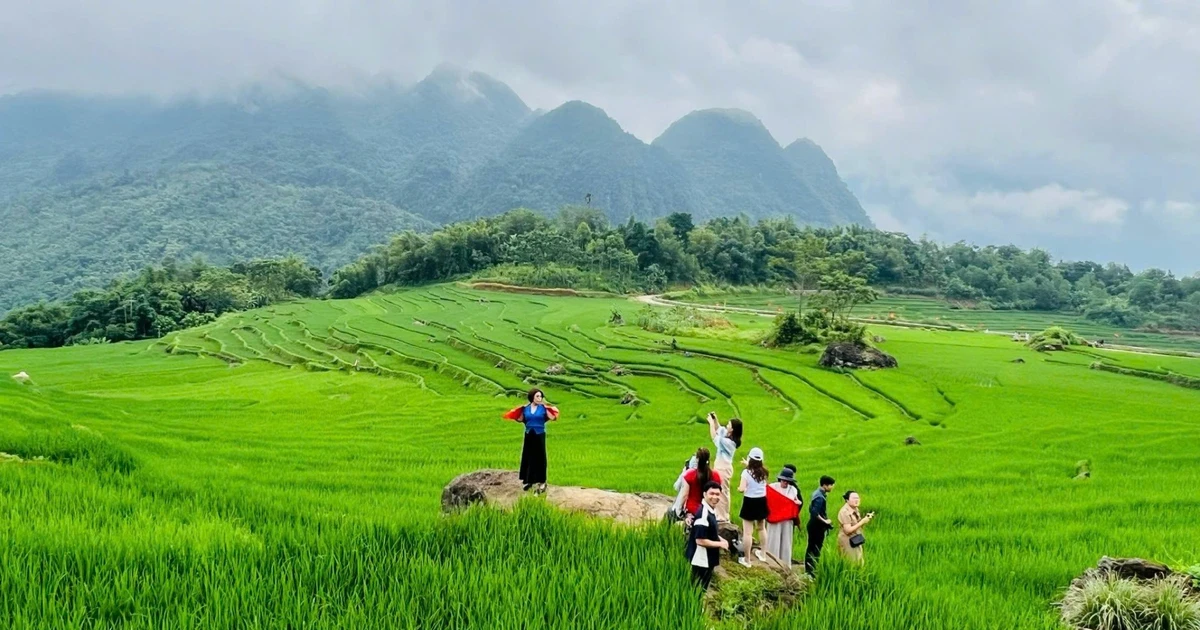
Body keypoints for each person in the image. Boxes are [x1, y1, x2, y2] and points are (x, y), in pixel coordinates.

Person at [501, 388, 559, 493]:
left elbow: (553, 417)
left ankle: (542, 482)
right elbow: (520, 419)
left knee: (540, 457)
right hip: (529, 434)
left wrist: (547, 407)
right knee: (528, 456)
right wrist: (514, 414)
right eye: (537, 396)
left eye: (541, 396)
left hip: (539, 434)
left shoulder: (543, 408)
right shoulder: (525, 409)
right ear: (532, 397)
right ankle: (529, 481)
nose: (539, 398)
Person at [685, 481, 729, 589]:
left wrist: (720, 538)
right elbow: (700, 540)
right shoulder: (703, 515)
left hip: (707, 559)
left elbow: (709, 532)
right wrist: (720, 544)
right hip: (701, 560)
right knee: (698, 590)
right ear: (704, 494)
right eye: (711, 494)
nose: (715, 497)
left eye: (717, 494)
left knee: (699, 589)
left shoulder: (710, 510)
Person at [763, 466, 802, 567]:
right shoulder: (772, 487)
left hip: (787, 519)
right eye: (784, 480)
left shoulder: (793, 489)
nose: (786, 483)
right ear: (780, 479)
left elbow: (796, 501)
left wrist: (797, 503)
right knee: (773, 540)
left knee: (786, 542)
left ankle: (785, 565)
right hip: (774, 518)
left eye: (788, 481)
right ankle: (772, 563)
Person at [737, 447, 769, 567]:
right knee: (761, 528)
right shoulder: (765, 472)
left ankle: (747, 560)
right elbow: (755, 471)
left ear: (750, 459)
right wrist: (748, 464)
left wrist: (740, 489)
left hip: (749, 502)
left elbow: (742, 488)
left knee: (748, 533)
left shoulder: (746, 473)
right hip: (762, 501)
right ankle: (763, 554)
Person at [707, 413, 742, 522]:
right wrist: (716, 419)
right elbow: (719, 429)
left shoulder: (729, 443)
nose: (727, 425)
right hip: (721, 466)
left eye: (729, 425)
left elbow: (714, 437)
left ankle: (722, 517)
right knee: (721, 491)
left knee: (722, 493)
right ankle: (720, 514)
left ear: (732, 429)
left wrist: (711, 423)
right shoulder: (727, 435)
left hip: (723, 468)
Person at [673, 448, 722, 525]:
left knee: (670, 514)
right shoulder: (716, 476)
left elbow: (684, 495)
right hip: (709, 510)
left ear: (697, 460)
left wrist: (679, 511)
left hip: (692, 511)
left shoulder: (690, 475)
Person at [804, 475, 836, 575]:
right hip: (816, 527)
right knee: (815, 549)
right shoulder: (819, 497)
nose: (832, 487)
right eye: (831, 485)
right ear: (825, 485)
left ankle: (810, 570)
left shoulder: (817, 493)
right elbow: (814, 512)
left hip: (814, 525)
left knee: (812, 547)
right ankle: (811, 571)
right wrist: (825, 521)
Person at [837, 490, 875, 564]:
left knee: (859, 562)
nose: (857, 500)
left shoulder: (855, 509)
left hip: (856, 539)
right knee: (851, 563)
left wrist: (866, 519)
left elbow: (857, 525)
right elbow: (847, 530)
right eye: (854, 498)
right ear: (847, 500)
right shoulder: (844, 512)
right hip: (848, 541)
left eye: (858, 498)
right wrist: (862, 522)